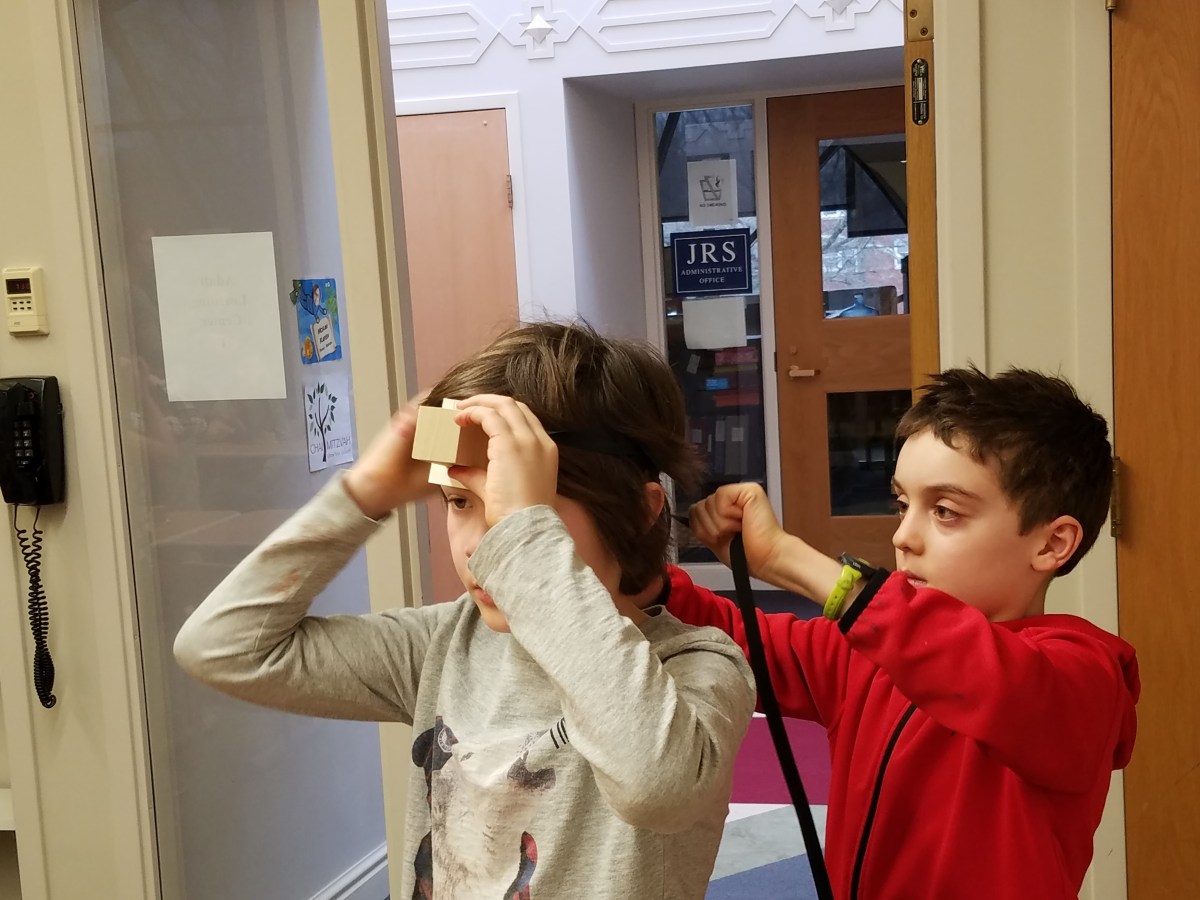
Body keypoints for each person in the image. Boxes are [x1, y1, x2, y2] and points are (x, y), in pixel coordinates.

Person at [174, 321, 755, 899]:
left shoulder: (698, 668)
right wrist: (364, 494)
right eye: (458, 503)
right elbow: (223, 647)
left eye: (519, 514)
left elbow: (655, 786)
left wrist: (525, 542)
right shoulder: (446, 644)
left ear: (638, 511)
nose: (479, 546)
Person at [670, 366, 1139, 900]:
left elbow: (983, 676)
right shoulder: (865, 655)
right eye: (901, 504)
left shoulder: (1083, 677)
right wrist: (645, 578)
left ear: (1052, 544)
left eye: (945, 511)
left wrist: (786, 559)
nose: (903, 536)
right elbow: (731, 638)